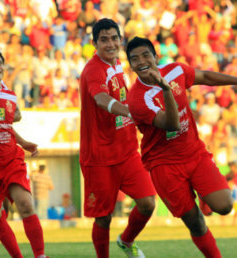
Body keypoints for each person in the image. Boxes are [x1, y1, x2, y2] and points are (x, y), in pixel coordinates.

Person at [126, 36, 236, 258]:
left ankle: (204, 194)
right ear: (131, 65)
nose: (141, 61)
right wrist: (166, 89)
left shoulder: (176, 70)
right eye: (135, 59)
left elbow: (204, 76)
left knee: (225, 206)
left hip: (194, 153)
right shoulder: (136, 99)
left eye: (146, 55)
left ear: (156, 57)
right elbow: (171, 124)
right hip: (164, 164)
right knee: (195, 222)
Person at [79, 18, 156, 258]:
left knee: (148, 202)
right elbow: (101, 99)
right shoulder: (93, 70)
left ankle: (126, 240)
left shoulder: (119, 64)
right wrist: (130, 112)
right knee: (103, 216)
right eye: (104, 40)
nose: (110, 43)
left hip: (127, 150)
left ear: (120, 40)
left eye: (114, 38)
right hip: (99, 155)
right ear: (95, 43)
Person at [0, 48, 49, 258]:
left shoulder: (10, 94)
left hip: (11, 159)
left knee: (26, 204)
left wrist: (24, 142)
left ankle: (40, 255)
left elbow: (5, 126)